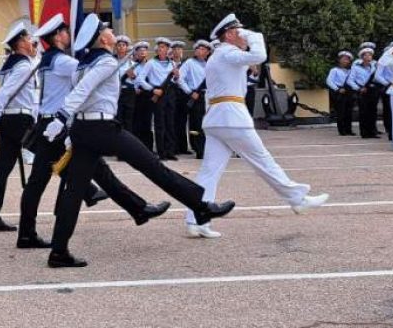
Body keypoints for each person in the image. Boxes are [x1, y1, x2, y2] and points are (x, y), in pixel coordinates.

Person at [44, 14, 236, 268]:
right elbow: (82, 91)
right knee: (153, 166)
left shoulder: (84, 63)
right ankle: (200, 206)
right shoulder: (104, 62)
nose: (111, 31)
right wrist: (61, 116)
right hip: (101, 127)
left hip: (84, 128)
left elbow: (83, 90)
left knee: (74, 191)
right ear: (102, 39)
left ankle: (58, 251)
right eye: (106, 29)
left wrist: (66, 122)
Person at [17, 15, 164, 250]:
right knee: (96, 175)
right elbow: (92, 73)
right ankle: (133, 207)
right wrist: (106, 53)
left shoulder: (49, 59)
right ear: (57, 36)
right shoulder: (63, 62)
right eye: (65, 32)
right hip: (58, 126)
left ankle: (28, 232)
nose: (69, 35)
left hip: (48, 125)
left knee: (42, 182)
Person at [182, 14, 329, 238]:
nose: (244, 36)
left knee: (209, 172)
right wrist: (255, 35)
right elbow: (259, 55)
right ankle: (297, 199)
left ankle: (196, 220)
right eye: (239, 32)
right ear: (230, 34)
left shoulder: (220, 55)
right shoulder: (228, 52)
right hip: (232, 118)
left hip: (217, 118)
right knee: (263, 161)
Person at [0, 22, 36, 232]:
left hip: (12, 120)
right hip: (19, 120)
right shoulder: (22, 66)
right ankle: (87, 190)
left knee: (1, 170)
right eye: (29, 39)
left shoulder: (11, 63)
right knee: (52, 152)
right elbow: (5, 93)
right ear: (21, 42)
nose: (32, 43)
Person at [140, 39, 178, 160]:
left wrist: (176, 77)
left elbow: (175, 81)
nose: (162, 49)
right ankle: (161, 152)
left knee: (170, 123)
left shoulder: (172, 63)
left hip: (170, 93)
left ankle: (170, 151)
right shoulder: (151, 63)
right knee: (160, 124)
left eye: (164, 47)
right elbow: (140, 79)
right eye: (160, 47)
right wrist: (152, 90)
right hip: (158, 93)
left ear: (168, 50)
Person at [179, 40, 211, 159]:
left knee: (207, 123)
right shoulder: (189, 63)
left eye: (203, 49)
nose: (199, 51)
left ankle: (207, 147)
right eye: (198, 49)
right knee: (196, 123)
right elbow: (179, 79)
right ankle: (198, 149)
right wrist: (189, 91)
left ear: (207, 52)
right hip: (195, 95)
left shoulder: (210, 64)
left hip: (208, 96)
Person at [348, 46, 382, 139]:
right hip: (362, 91)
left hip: (373, 90)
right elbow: (350, 81)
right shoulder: (355, 68)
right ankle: (364, 133)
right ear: (362, 57)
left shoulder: (374, 67)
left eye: (370, 55)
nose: (369, 57)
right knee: (363, 112)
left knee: (373, 111)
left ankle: (373, 132)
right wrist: (358, 88)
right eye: (366, 55)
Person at [130, 42, 154, 147]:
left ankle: (148, 146)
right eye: (140, 51)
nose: (142, 53)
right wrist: (135, 88)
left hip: (148, 95)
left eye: (144, 51)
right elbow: (130, 80)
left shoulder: (151, 65)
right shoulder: (133, 66)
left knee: (147, 122)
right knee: (136, 121)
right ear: (136, 53)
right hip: (137, 96)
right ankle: (137, 145)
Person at [170, 41, 191, 155]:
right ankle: (174, 147)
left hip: (183, 94)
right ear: (172, 51)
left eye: (179, 49)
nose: (177, 51)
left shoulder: (186, 63)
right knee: (173, 120)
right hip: (172, 93)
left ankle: (183, 146)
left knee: (182, 121)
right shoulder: (169, 63)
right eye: (175, 49)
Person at [327, 52, 355, 136]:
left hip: (349, 91)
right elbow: (329, 81)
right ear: (339, 60)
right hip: (340, 92)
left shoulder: (351, 70)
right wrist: (337, 89)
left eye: (347, 59)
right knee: (341, 112)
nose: (345, 61)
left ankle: (349, 130)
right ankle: (341, 130)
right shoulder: (334, 70)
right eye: (343, 59)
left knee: (349, 112)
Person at [114, 36, 136, 127]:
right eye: (119, 45)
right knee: (118, 118)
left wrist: (134, 76)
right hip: (116, 92)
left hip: (129, 93)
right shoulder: (111, 62)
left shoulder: (132, 64)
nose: (121, 47)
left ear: (127, 47)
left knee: (129, 119)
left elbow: (137, 81)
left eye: (123, 45)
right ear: (116, 47)